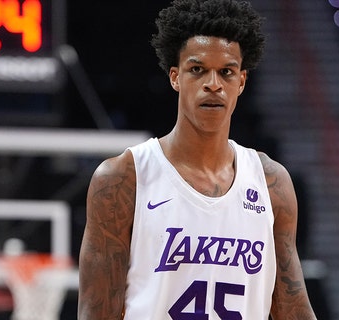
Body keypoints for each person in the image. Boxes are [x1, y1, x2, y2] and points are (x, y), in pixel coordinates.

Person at [77, 0, 318, 319]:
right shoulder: (123, 178)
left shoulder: (271, 183)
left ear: (241, 82)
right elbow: (97, 312)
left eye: (226, 72)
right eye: (198, 70)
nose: (213, 84)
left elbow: (292, 306)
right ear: (175, 77)